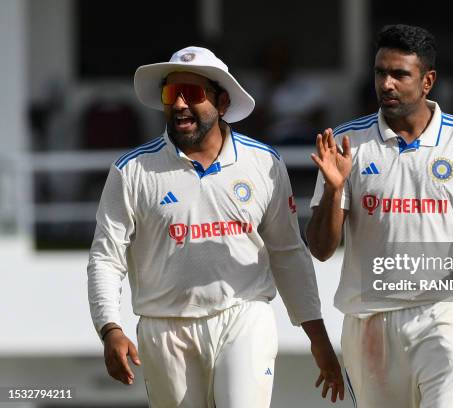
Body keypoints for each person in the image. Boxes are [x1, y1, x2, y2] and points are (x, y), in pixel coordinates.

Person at [87, 46, 344, 408]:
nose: (178, 105)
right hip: (164, 325)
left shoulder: (263, 162)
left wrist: (317, 336)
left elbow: (287, 252)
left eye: (191, 94)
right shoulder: (132, 170)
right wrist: (110, 327)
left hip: (243, 315)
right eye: (169, 94)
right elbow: (105, 258)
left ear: (222, 102)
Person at [307, 25, 453, 407]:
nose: (386, 84)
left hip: (446, 313)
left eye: (399, 74)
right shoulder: (347, 143)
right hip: (369, 318)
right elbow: (321, 250)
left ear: (427, 81)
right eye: (379, 72)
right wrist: (335, 189)